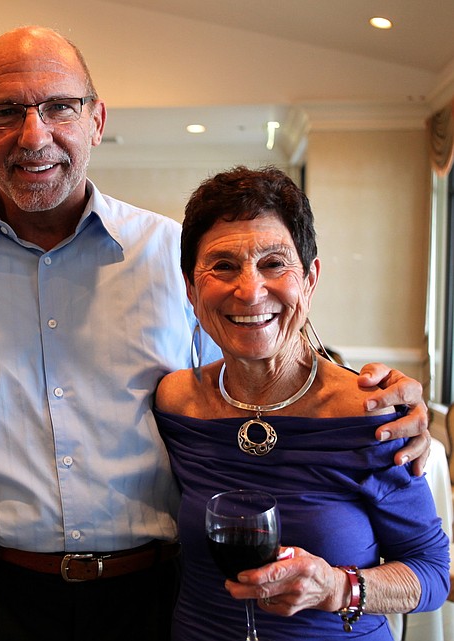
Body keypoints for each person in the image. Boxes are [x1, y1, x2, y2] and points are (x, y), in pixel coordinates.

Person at [0, 26, 431, 641]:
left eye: (60, 106)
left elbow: (255, 366)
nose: (35, 135)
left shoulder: (173, 255)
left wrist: (376, 394)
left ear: (96, 119)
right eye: (6, 111)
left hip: (150, 601)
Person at [153, 166, 449, 640]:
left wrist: (339, 587)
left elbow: (434, 572)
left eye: (274, 263)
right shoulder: (176, 403)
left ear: (310, 279)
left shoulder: (370, 413)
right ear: (191, 288)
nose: (249, 290)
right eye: (223, 266)